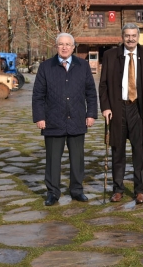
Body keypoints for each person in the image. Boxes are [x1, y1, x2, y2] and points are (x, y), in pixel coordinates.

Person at [32, 33, 97, 206]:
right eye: (61, 44)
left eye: (68, 44)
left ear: (73, 47)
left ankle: (77, 190)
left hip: (77, 120)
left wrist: (91, 114)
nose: (65, 47)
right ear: (56, 46)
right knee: (53, 160)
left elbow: (91, 92)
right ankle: (53, 192)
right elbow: (38, 95)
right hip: (52, 121)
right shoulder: (46, 67)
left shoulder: (83, 66)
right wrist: (39, 117)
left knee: (77, 159)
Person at [99, 23, 143, 204]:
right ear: (122, 37)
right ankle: (118, 189)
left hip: (139, 108)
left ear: (138, 37)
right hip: (117, 108)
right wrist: (105, 107)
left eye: (133, 35)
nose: (130, 39)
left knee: (139, 151)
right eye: (127, 35)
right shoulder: (110, 56)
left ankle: (140, 190)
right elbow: (103, 85)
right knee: (117, 150)